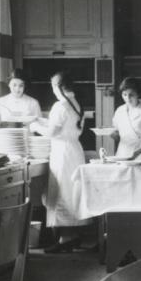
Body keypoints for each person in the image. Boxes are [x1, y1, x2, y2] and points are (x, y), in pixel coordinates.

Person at [30, 72, 91, 253]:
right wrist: (45, 123)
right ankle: (72, 235)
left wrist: (34, 126)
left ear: (58, 87)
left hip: (62, 152)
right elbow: (64, 127)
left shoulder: (60, 105)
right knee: (70, 193)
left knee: (61, 194)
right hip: (74, 150)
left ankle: (66, 238)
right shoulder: (75, 103)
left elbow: (53, 133)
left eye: (53, 87)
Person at [110, 77, 141, 159]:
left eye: (131, 95)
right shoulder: (119, 111)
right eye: (125, 95)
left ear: (138, 94)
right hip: (122, 152)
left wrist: (136, 153)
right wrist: (112, 134)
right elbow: (118, 135)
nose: (127, 98)